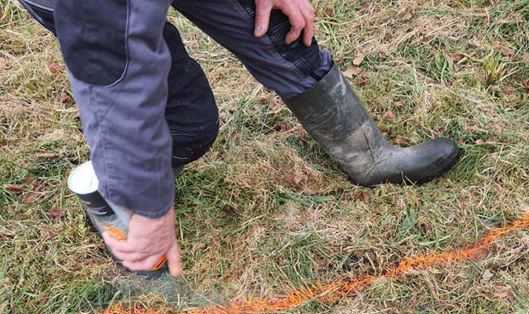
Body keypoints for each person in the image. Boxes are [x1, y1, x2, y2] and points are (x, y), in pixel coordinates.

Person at [18, 0, 460, 277]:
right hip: (96, 11)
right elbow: (120, 79)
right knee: (187, 122)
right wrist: (150, 205)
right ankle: (127, 217)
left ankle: (368, 156)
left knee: (274, 25)